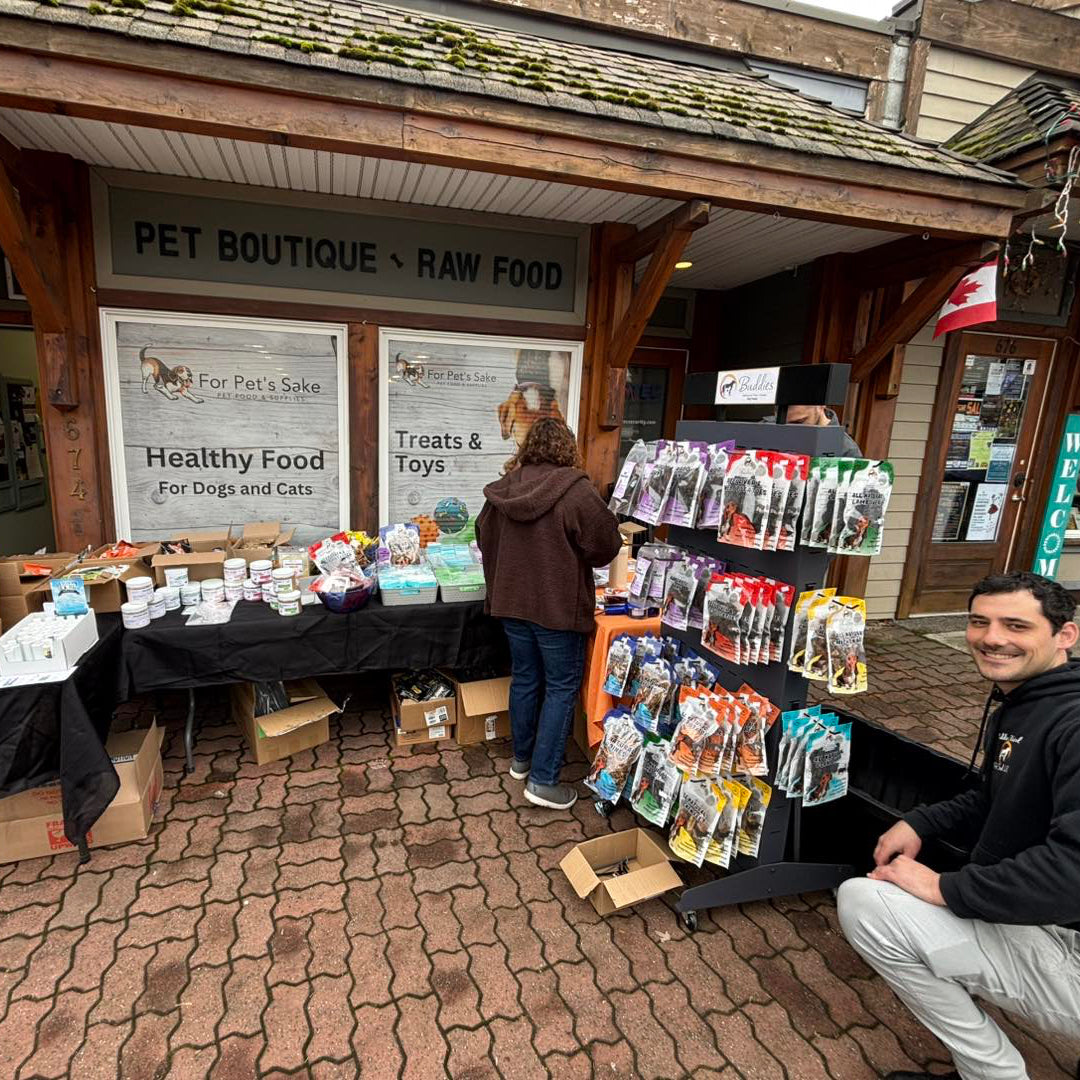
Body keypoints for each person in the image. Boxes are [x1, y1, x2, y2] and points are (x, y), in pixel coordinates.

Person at [836, 571, 1080, 1080]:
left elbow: (1071, 871)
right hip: (1046, 921)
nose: (992, 637)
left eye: (1016, 625)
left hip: (1068, 942)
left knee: (864, 904)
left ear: (1065, 635)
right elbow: (995, 795)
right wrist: (920, 821)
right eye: (979, 622)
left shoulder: (1071, 722)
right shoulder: (1026, 701)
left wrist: (944, 887)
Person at [476, 417, 622, 811]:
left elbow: (483, 535)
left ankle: (523, 761)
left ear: (527, 449)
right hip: (557, 608)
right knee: (559, 687)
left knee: (525, 677)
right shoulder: (576, 491)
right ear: (567, 448)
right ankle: (543, 781)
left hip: (512, 604)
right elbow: (606, 543)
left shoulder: (504, 489)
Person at [777, 403, 862, 456]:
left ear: (821, 406)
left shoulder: (846, 450)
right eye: (785, 425)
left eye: (800, 422)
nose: (791, 430)